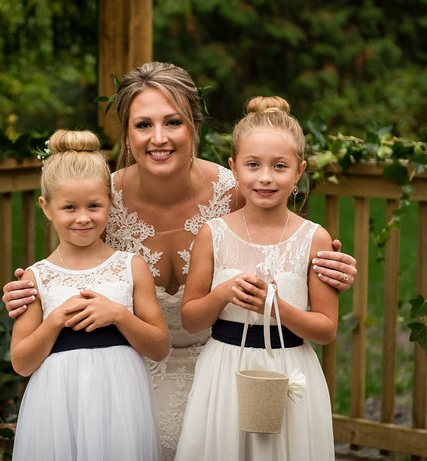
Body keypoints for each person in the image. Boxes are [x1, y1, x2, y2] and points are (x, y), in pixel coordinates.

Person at [3, 62, 356, 459]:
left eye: (172, 122)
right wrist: (31, 291)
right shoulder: (99, 200)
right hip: (125, 382)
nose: (159, 138)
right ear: (126, 132)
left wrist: (330, 266)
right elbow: (66, 265)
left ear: (194, 126)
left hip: (225, 372)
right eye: (143, 125)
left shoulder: (236, 188)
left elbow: (280, 237)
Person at [175, 96, 337, 460]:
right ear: (234, 168)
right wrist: (223, 294)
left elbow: (326, 330)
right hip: (225, 370)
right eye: (253, 165)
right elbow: (190, 319)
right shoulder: (212, 234)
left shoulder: (315, 238)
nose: (265, 177)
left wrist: (274, 306)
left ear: (299, 171)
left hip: (291, 367)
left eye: (280, 166)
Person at [9, 129, 169, 460]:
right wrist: (54, 321)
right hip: (57, 407)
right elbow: (21, 362)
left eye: (94, 205)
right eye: (69, 207)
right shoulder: (36, 278)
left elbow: (159, 347)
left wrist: (119, 315)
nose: (83, 217)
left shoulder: (131, 267)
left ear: (110, 203)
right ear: (46, 207)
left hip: (121, 403)